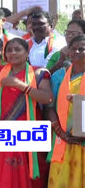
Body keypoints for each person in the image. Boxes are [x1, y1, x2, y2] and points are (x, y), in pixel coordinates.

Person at [0, 38, 53, 188]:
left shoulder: (38, 72)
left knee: (30, 177)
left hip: (29, 134)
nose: (13, 53)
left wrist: (22, 86)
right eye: (9, 50)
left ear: (27, 52)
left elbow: (48, 98)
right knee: (6, 176)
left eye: (18, 49)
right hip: (5, 134)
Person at [46, 34, 85, 187]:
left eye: (82, 49)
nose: (77, 52)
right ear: (68, 51)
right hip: (63, 140)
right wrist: (61, 133)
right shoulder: (59, 76)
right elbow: (49, 107)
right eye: (73, 49)